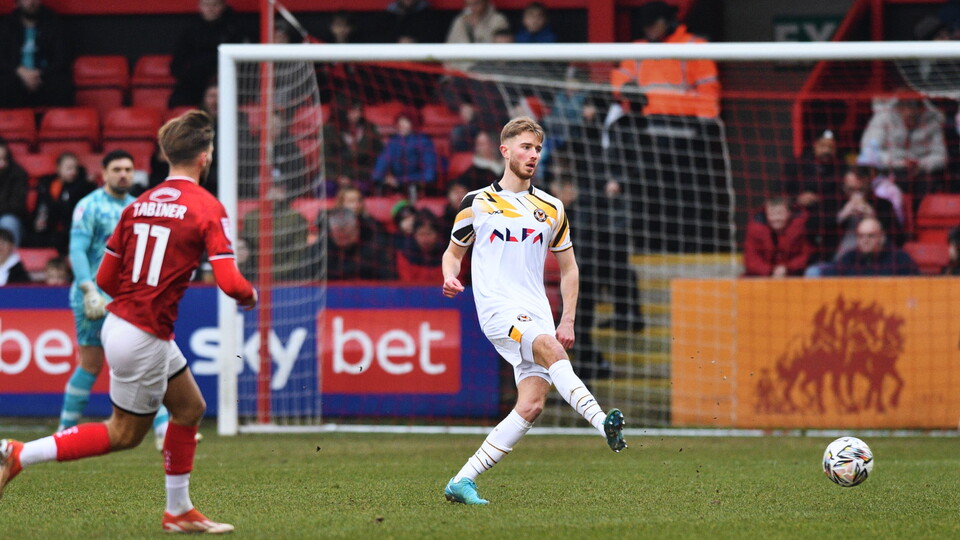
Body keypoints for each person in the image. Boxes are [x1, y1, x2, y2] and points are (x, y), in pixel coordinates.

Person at [0, 111, 258, 534]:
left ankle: (179, 511)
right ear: (205, 157)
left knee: (190, 408)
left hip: (124, 321)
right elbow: (230, 282)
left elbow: (104, 278)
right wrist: (250, 295)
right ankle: (18, 454)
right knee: (123, 434)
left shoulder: (138, 204)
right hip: (143, 334)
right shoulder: (207, 207)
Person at [440, 116, 626, 505]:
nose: (533, 155)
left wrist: (568, 318)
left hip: (536, 310)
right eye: (525, 147)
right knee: (550, 349)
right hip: (497, 309)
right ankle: (601, 421)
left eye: (538, 149)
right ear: (505, 150)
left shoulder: (551, 207)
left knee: (531, 404)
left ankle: (462, 480)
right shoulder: (477, 202)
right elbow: (454, 252)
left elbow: (570, 267)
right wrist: (450, 276)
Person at [56, 149, 173, 450]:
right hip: (92, 297)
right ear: (104, 173)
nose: (123, 174)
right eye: (117, 169)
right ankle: (65, 430)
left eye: (128, 169)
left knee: (145, 361)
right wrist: (88, 289)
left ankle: (163, 430)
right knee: (92, 364)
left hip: (126, 298)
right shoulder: (88, 206)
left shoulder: (138, 207)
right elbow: (78, 249)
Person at [609, 1, 719, 119]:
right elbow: (621, 77)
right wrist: (626, 88)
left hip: (686, 120)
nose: (648, 29)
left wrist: (706, 121)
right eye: (645, 24)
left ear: (667, 22)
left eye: (652, 24)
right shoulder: (638, 48)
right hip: (646, 119)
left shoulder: (694, 46)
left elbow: (708, 88)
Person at [859, 93, 946, 203]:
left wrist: (921, 165)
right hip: (887, 170)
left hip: (921, 172)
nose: (910, 112)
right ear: (898, 107)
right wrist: (898, 163)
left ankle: (920, 217)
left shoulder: (932, 122)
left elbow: (941, 156)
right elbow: (868, 152)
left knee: (929, 183)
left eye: (914, 106)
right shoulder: (882, 118)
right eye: (906, 106)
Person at [169, 0, 252, 107]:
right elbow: (178, 63)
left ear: (223, 6)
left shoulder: (236, 28)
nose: (210, 9)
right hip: (194, 81)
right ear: (200, 6)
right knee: (179, 103)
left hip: (227, 79)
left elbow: (244, 60)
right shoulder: (190, 30)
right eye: (206, 5)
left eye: (215, 5)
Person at [782, 130, 845, 265]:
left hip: (831, 227)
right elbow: (779, 194)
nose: (827, 150)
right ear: (815, 145)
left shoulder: (841, 168)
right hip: (802, 225)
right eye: (823, 146)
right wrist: (797, 199)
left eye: (831, 147)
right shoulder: (796, 165)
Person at [0, 0, 73, 109]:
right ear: (17, 2)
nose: (32, 2)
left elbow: (61, 58)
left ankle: (60, 123)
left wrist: (39, 73)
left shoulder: (54, 22)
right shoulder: (7, 25)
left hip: (45, 76)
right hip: (17, 75)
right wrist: (20, 71)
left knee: (62, 85)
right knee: (4, 85)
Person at [240, 182, 310, 282]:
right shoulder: (250, 218)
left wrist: (272, 274)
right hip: (255, 277)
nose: (274, 192)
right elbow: (247, 252)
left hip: (288, 278)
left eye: (278, 187)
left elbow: (299, 255)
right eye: (270, 187)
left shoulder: (296, 218)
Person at [31, 151, 96, 254]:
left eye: (75, 168)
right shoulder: (47, 185)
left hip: (71, 229)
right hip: (49, 228)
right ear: (58, 168)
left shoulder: (83, 186)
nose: (73, 172)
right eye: (69, 168)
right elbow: (41, 208)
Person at [322, 98, 384, 195]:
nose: (357, 114)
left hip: (361, 176)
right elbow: (325, 160)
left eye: (359, 111)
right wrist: (337, 177)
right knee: (326, 187)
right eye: (352, 111)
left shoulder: (370, 128)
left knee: (364, 188)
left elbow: (379, 155)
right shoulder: (329, 130)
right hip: (337, 176)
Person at [822, 216, 918, 277]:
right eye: (861, 236)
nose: (865, 240)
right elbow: (830, 280)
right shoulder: (849, 258)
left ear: (881, 237)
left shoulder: (900, 259)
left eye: (871, 236)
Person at [371, 108, 438, 196]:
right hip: (395, 186)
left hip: (416, 187)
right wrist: (382, 178)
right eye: (400, 122)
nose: (401, 125)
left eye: (406, 122)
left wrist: (401, 180)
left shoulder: (424, 142)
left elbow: (429, 174)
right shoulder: (393, 141)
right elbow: (382, 163)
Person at [742, 196, 811, 277]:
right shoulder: (756, 230)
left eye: (780, 213)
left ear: (789, 213)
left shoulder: (802, 227)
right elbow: (751, 258)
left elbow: (808, 254)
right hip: (763, 276)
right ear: (766, 215)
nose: (776, 218)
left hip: (796, 274)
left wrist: (787, 268)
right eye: (772, 214)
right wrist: (771, 271)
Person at [323, 207, 397, 281]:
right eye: (339, 237)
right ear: (331, 233)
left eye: (348, 236)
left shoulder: (376, 245)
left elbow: (388, 279)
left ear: (357, 228)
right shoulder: (322, 249)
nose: (344, 241)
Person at [445, 0, 510, 71]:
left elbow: (502, 56)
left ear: (485, 2)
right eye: (468, 4)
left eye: (476, 4)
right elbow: (449, 51)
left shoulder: (498, 21)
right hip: (460, 74)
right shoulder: (459, 21)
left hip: (488, 72)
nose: (472, 8)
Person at [396, 211, 445, 283]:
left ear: (437, 234)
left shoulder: (449, 254)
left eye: (429, 234)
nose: (425, 239)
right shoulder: (405, 255)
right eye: (421, 234)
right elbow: (407, 284)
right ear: (414, 235)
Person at [0, 138, 30, 247]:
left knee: (8, 222)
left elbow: (17, 206)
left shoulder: (18, 174)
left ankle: (8, 263)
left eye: (4, 159)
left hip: (11, 218)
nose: (2, 163)